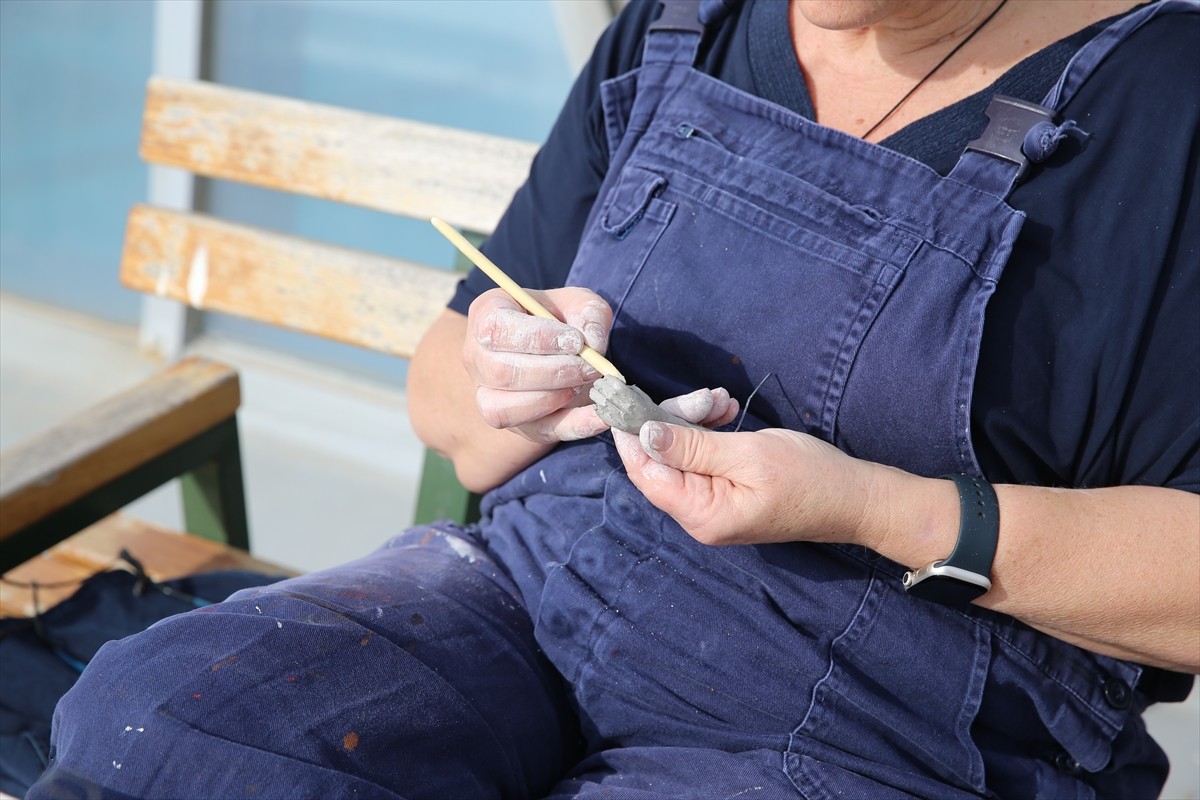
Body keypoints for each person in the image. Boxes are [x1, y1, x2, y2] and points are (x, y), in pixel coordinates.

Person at [28, 0, 1199, 797]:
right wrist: (509, 376)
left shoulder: (1171, 111)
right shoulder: (683, 26)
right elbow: (446, 409)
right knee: (167, 717)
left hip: (890, 717)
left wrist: (870, 508)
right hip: (525, 591)